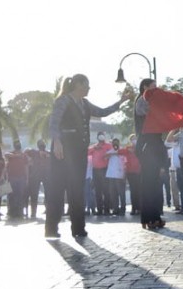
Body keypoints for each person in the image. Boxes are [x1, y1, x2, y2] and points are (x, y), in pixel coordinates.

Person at [46, 74, 130, 239]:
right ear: (78, 84)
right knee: (57, 189)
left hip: (78, 152)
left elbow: (102, 111)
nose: (89, 88)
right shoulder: (63, 100)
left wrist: (121, 101)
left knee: (77, 189)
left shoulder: (84, 104)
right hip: (62, 150)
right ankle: (51, 228)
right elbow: (54, 123)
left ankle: (78, 228)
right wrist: (57, 142)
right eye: (86, 85)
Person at [136, 78, 168, 229]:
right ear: (145, 87)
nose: (157, 89)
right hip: (147, 146)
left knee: (155, 186)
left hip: (156, 145)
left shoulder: (154, 102)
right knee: (148, 186)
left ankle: (155, 216)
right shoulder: (141, 101)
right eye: (154, 87)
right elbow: (144, 112)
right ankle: (148, 218)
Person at [88, 132, 112, 216]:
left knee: (106, 190)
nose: (101, 137)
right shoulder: (95, 146)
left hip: (105, 169)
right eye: (99, 135)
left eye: (102, 135)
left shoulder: (108, 145)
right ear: (97, 137)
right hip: (95, 170)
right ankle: (99, 210)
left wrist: (106, 154)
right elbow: (87, 152)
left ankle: (107, 210)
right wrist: (95, 148)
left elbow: (113, 152)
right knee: (97, 191)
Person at [25, 140, 50, 220]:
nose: (42, 145)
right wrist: (37, 153)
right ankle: (33, 212)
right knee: (34, 194)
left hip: (46, 175)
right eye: (40, 144)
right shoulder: (34, 152)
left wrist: (47, 154)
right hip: (36, 175)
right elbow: (25, 151)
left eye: (43, 144)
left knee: (48, 193)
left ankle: (48, 209)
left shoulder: (48, 153)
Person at [5, 140, 29, 219]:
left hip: (21, 177)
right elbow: (6, 154)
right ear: (14, 145)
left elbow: (26, 167)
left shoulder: (24, 155)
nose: (17, 145)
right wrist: (16, 155)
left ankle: (20, 212)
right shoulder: (11, 153)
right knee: (11, 195)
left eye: (19, 143)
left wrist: (27, 177)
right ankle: (12, 212)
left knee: (21, 195)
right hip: (12, 177)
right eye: (16, 144)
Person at [104, 138, 127, 216]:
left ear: (119, 143)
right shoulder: (110, 151)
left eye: (116, 142)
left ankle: (123, 209)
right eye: (114, 143)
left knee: (121, 193)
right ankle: (115, 209)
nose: (115, 144)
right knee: (113, 193)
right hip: (111, 175)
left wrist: (124, 174)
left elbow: (126, 162)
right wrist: (112, 153)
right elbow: (104, 157)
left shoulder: (123, 151)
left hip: (120, 175)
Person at [122, 135, 141, 215]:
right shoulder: (127, 149)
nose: (134, 140)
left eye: (135, 138)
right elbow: (121, 152)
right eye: (132, 139)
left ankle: (140, 208)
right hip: (130, 172)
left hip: (140, 172)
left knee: (140, 190)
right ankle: (134, 208)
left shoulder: (140, 147)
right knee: (133, 191)